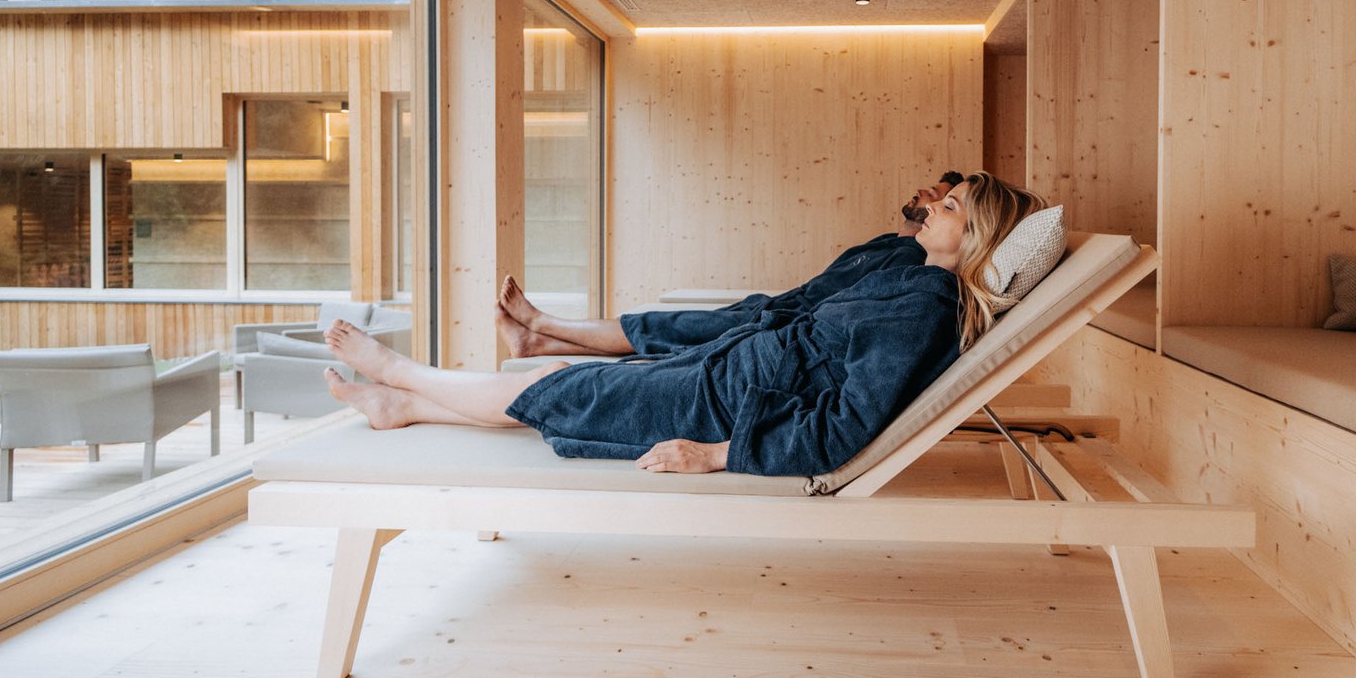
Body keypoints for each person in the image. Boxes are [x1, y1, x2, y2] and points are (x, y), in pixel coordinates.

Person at [320, 171, 1048, 477]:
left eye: (951, 210)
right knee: (582, 391)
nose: (932, 208)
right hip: (741, 370)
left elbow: (845, 429)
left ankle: (400, 373)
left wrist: (715, 455)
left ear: (977, 239)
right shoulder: (910, 277)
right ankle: (405, 404)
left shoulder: (925, 305)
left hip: (732, 405)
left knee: (563, 388)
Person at [496, 170, 967, 359]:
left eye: (937, 199)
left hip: (783, 323)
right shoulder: (896, 242)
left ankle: (543, 324)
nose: (921, 197)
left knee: (671, 328)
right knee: (675, 332)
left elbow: (849, 311)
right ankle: (537, 342)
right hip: (781, 306)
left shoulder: (913, 263)